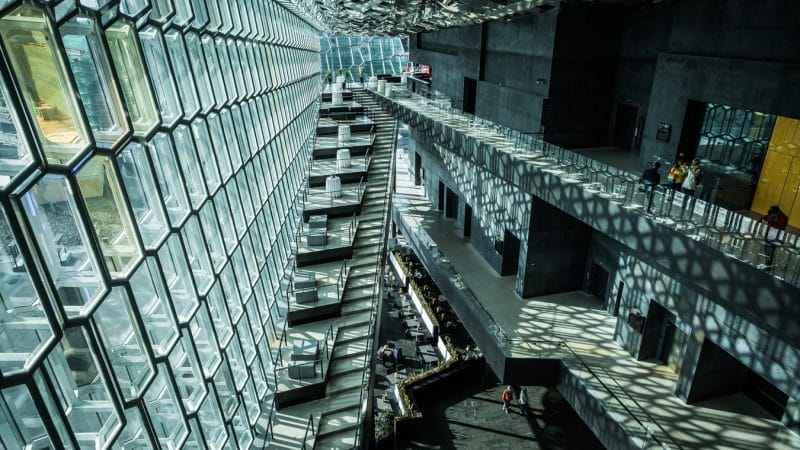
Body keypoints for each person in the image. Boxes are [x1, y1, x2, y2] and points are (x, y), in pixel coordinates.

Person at [759, 205, 788, 270]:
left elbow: (780, 227)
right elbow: (761, 220)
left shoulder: (784, 218)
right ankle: (767, 264)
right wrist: (765, 222)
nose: (771, 214)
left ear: (777, 212)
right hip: (768, 235)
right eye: (771, 213)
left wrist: (769, 222)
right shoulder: (770, 215)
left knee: (770, 250)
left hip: (775, 237)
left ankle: (768, 265)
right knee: (767, 250)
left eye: (773, 213)